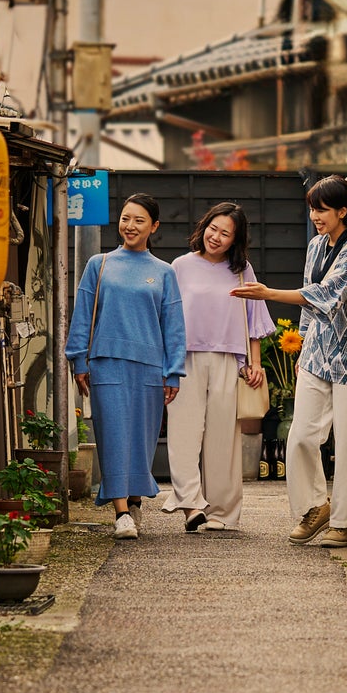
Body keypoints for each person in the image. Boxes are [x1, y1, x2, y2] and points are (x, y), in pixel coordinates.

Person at [231, 175, 347, 548]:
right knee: (300, 437)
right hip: (316, 356)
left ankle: (343, 523)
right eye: (312, 208)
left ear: (343, 211)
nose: (315, 215)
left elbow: (326, 294)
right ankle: (316, 506)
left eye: (322, 209)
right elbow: (310, 306)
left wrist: (266, 293)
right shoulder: (315, 246)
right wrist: (304, 347)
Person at [64, 194, 186, 541]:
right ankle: (121, 513)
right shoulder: (98, 264)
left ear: (154, 227)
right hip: (106, 364)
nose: (130, 226)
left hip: (150, 367)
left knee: (143, 441)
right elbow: (83, 313)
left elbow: (173, 325)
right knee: (113, 435)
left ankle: (134, 499)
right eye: (125, 218)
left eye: (139, 221)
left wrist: (173, 370)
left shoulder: (164, 272)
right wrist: (79, 359)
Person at [166, 203, 275, 533]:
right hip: (185, 359)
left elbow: (253, 322)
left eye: (225, 233)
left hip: (229, 360)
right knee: (183, 432)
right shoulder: (180, 267)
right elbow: (168, 319)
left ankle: (223, 513)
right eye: (213, 228)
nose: (216, 236)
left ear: (235, 240)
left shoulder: (243, 271)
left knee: (223, 438)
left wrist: (255, 364)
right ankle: (190, 503)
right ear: (204, 226)